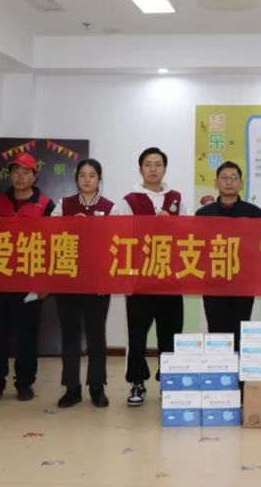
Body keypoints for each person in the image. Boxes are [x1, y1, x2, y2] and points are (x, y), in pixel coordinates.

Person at [112, 147, 184, 407]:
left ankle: (169, 381)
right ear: (140, 168)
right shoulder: (128, 201)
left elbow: (187, 235)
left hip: (169, 279)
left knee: (171, 334)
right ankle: (137, 382)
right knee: (137, 336)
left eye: (158, 164)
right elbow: (117, 234)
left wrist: (171, 224)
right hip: (139, 281)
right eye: (148, 164)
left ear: (164, 168)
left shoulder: (177, 198)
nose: (153, 169)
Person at [0, 152, 56, 403]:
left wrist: (47, 282)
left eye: (26, 172)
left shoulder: (46, 205)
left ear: (35, 176)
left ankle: (24, 384)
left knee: (27, 336)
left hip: (30, 282)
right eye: (16, 171)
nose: (20, 176)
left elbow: (54, 244)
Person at [49, 158, 113, 408]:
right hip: (67, 279)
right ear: (76, 179)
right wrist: (69, 224)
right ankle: (72, 388)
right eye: (83, 175)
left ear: (99, 179)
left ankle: (97, 386)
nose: (87, 180)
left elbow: (116, 242)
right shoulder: (63, 205)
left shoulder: (110, 207)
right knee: (70, 334)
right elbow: (48, 235)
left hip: (97, 280)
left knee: (97, 335)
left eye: (92, 175)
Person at [196, 161, 261, 349]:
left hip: (243, 281)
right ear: (216, 183)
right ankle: (219, 366)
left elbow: (260, 247)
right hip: (213, 281)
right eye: (224, 178)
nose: (229, 182)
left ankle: (239, 368)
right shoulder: (203, 214)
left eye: (234, 178)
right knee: (216, 331)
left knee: (240, 330)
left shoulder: (254, 213)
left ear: (241, 183)